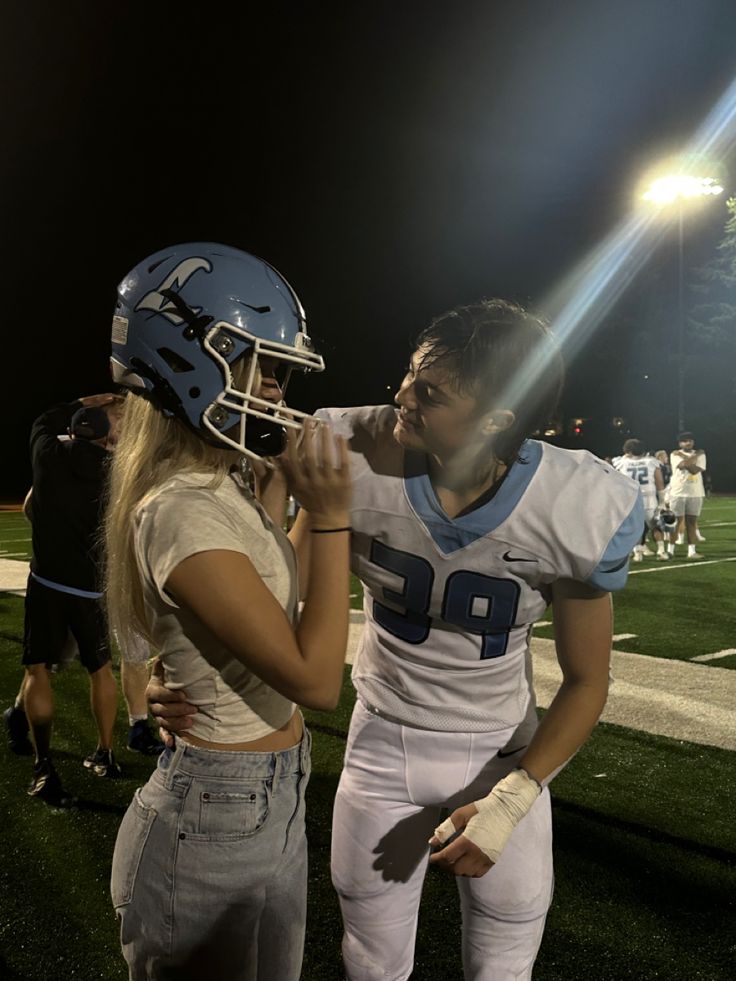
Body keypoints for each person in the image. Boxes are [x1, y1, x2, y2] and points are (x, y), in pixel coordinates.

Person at [150, 298, 644, 981]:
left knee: (503, 965)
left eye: (430, 392)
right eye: (411, 373)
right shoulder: (349, 448)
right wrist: (181, 669)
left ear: (496, 420)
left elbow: (589, 678)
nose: (401, 394)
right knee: (372, 964)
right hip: (382, 743)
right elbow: (274, 602)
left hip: (504, 754)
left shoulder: (577, 501)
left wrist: (517, 794)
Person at [106, 242, 352, 981]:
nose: (275, 388)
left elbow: (284, 598)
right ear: (193, 359)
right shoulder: (183, 506)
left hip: (267, 790)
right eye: (261, 364)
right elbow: (315, 678)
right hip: (216, 807)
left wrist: (294, 498)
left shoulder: (222, 483)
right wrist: (335, 516)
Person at [12, 397, 124, 805]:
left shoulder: (47, 454)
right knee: (101, 671)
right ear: (105, 434)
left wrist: (79, 404)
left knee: (38, 670)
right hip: (91, 589)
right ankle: (104, 753)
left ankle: (43, 766)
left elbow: (43, 417)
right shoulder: (118, 473)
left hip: (45, 582)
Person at [612, 438, 669, 561]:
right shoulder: (651, 462)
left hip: (631, 500)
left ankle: (638, 553)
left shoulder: (622, 462)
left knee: (635, 528)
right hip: (649, 500)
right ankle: (661, 551)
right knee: (655, 526)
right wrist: (662, 502)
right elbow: (660, 483)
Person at [667, 432, 706, 559]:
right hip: (678, 492)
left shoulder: (700, 454)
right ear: (680, 443)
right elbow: (683, 465)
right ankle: (670, 550)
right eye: (684, 441)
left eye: (690, 440)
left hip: (695, 493)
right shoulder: (674, 454)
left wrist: (686, 456)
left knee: (691, 523)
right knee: (675, 523)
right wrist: (696, 455)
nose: (688, 443)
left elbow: (694, 470)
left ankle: (691, 551)